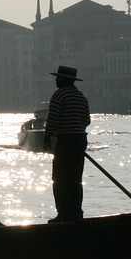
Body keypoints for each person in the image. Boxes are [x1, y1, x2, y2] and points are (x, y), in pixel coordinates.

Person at [43, 64, 91, 223]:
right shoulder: (81, 96)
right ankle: (77, 213)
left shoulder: (59, 95)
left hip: (66, 141)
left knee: (59, 178)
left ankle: (63, 213)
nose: (56, 80)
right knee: (75, 179)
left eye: (58, 78)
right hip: (80, 141)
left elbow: (53, 119)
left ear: (64, 80)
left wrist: (47, 137)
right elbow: (86, 121)